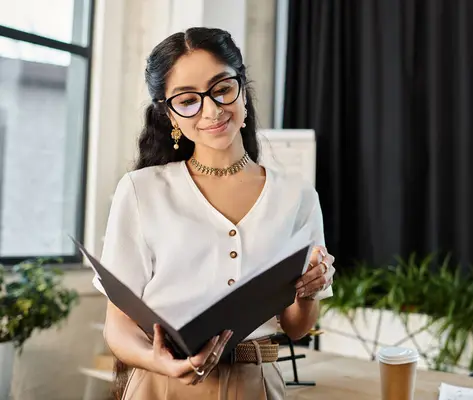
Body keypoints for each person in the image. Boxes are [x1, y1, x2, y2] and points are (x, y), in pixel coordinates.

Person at [92, 27, 336, 399]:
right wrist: (161, 362)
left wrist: (309, 291)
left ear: (242, 88)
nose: (211, 109)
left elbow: (298, 328)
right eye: (188, 100)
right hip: (163, 386)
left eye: (222, 89)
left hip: (257, 384)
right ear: (170, 114)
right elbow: (119, 327)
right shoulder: (141, 191)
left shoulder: (296, 196)